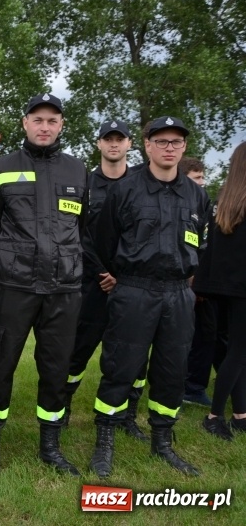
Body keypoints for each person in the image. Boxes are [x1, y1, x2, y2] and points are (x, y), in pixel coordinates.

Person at [90, 117, 209, 477]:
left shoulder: (196, 194)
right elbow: (104, 241)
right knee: (121, 367)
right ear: (147, 145)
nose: (169, 148)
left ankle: (163, 442)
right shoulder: (126, 189)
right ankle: (104, 442)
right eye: (161, 141)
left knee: (172, 370)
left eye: (176, 142)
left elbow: (201, 242)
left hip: (178, 294)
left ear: (184, 147)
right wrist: (124, 276)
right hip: (134, 291)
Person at [0, 94, 87, 477]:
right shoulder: (4, 168)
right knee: (0, 364)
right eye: (37, 119)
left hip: (63, 288)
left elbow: (82, 228)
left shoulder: (77, 170)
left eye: (52, 120)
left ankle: (50, 446)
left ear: (61, 125)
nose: (44, 126)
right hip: (15, 286)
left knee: (56, 368)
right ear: (24, 123)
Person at [63, 120, 148, 441]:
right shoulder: (84, 184)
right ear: (98, 144)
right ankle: (63, 406)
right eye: (108, 139)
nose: (114, 144)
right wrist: (102, 272)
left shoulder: (142, 185)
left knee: (134, 354)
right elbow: (77, 232)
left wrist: (122, 275)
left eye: (119, 139)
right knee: (78, 350)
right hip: (92, 283)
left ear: (129, 144)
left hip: (133, 284)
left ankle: (127, 415)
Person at [194, 142, 246, 440]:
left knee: (237, 350)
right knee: (238, 352)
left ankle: (240, 414)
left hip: (225, 287)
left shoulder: (226, 201)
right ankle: (214, 416)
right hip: (240, 288)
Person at [180, 157, 219, 407]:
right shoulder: (178, 204)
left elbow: (206, 244)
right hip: (182, 282)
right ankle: (189, 387)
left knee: (207, 335)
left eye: (203, 177)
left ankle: (194, 386)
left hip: (203, 281)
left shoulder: (204, 204)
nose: (202, 183)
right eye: (197, 178)